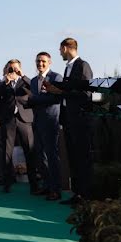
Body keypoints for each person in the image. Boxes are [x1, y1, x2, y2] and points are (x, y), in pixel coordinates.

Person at [45, 37, 94, 205]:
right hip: (68, 119)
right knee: (73, 157)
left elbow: (85, 94)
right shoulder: (68, 68)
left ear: (65, 48)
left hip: (80, 119)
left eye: (60, 49)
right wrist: (56, 90)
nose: (59, 53)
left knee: (82, 157)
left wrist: (60, 92)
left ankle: (86, 196)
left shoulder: (82, 65)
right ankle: (77, 194)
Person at [0, 60, 37, 194]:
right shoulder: (2, 84)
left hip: (24, 119)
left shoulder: (25, 81)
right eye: (11, 69)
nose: (13, 71)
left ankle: (34, 185)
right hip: (8, 120)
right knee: (6, 153)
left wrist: (22, 75)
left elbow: (35, 89)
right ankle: (7, 183)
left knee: (29, 151)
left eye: (15, 68)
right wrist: (5, 83)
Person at [27, 52, 63, 200]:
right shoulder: (34, 80)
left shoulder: (56, 77)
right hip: (37, 121)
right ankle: (47, 186)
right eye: (38, 61)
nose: (40, 64)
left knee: (52, 155)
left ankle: (56, 189)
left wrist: (34, 99)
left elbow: (56, 98)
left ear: (49, 62)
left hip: (51, 121)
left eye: (43, 61)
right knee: (40, 156)